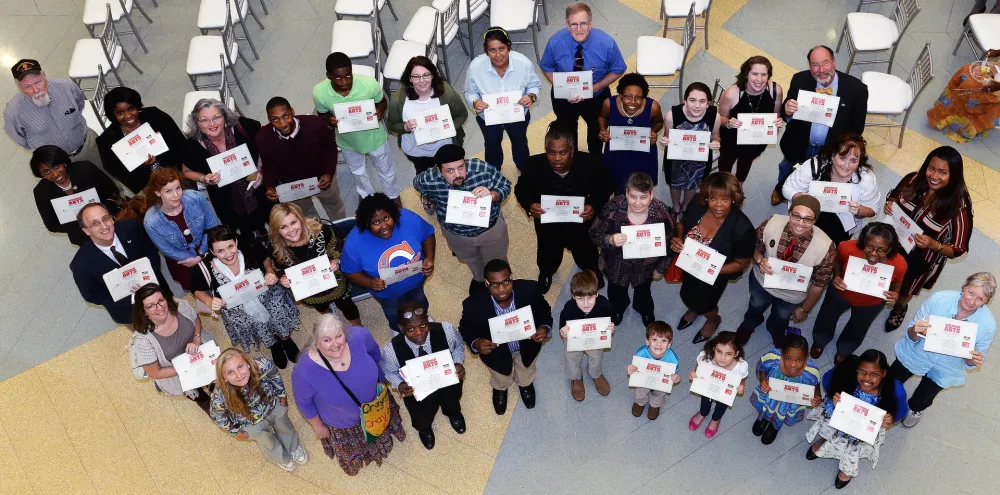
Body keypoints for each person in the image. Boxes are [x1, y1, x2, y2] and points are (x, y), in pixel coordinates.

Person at [291, 315, 406, 476]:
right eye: (327, 340)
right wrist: (318, 426)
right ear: (316, 342)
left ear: (345, 332)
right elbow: (304, 404)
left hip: (375, 408)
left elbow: (375, 353)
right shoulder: (304, 372)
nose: (335, 344)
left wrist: (382, 380)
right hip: (344, 424)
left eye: (339, 336)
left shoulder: (360, 336)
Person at [515, 121, 613, 293]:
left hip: (581, 224)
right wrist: (530, 205)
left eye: (563, 152)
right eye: (551, 153)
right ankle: (546, 273)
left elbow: (605, 186)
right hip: (548, 226)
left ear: (572, 151)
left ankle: (592, 270)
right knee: (547, 253)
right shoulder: (533, 164)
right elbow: (521, 189)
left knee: (587, 252)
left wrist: (594, 205)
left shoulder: (591, 163)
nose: (557, 158)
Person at [883, 146, 973, 331]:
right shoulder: (914, 179)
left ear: (953, 175)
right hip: (895, 242)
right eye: (931, 168)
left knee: (906, 287)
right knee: (885, 274)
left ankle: (900, 305)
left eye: (943, 172)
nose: (934, 176)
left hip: (922, 258)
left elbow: (958, 249)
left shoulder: (959, 207)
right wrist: (890, 204)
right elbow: (893, 195)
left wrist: (934, 244)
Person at [889, 272, 996, 428]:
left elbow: (973, 360)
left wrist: (973, 359)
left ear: (986, 302)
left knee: (924, 397)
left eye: (980, 299)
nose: (971, 301)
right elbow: (911, 335)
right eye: (970, 293)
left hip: (947, 365)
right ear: (964, 285)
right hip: (917, 352)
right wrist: (916, 330)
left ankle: (916, 408)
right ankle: (885, 399)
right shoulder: (939, 300)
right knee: (892, 381)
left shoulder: (988, 324)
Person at [192, 225, 300, 369]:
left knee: (276, 312)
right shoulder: (205, 266)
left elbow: (265, 257)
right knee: (256, 324)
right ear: (212, 252)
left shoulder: (249, 246)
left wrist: (269, 271)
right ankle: (273, 345)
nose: (228, 254)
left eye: (230, 246)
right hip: (237, 306)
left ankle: (286, 339)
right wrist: (209, 300)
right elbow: (196, 289)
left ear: (236, 242)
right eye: (220, 251)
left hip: (266, 293)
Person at [735, 195, 837, 347]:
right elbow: (753, 247)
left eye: (807, 219)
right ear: (789, 213)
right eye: (796, 216)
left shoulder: (826, 247)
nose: (800, 223)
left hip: (792, 296)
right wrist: (759, 260)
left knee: (782, 316)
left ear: (815, 220)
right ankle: (750, 323)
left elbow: (819, 284)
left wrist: (804, 309)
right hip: (762, 282)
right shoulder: (772, 223)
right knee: (755, 305)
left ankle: (775, 328)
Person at [772, 46, 868, 206]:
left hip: (830, 149)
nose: (821, 70)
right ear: (810, 66)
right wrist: (787, 110)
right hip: (799, 142)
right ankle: (780, 188)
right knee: (787, 167)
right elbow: (786, 110)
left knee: (821, 176)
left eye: (825, 63)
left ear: (834, 62)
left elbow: (857, 128)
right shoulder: (799, 80)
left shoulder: (856, 89)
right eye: (815, 65)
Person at [459, 259, 553, 415]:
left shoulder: (530, 290)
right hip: (496, 352)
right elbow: (465, 327)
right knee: (500, 374)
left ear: (511, 278)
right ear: (486, 284)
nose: (502, 289)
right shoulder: (473, 304)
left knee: (526, 368)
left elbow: (544, 310)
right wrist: (476, 343)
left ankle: (525, 384)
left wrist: (544, 328)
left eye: (506, 282)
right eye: (494, 284)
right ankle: (501, 387)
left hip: (526, 345)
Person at [805, 350, 908, 489]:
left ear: (884, 374)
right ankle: (824, 440)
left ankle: (846, 469)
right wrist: (834, 395)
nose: (866, 379)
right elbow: (828, 379)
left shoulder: (895, 389)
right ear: (856, 369)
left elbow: (902, 409)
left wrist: (891, 418)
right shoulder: (847, 373)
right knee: (829, 431)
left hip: (862, 432)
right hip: (839, 418)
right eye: (862, 372)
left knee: (853, 450)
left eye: (874, 375)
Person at [672, 172, 755, 343]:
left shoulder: (743, 229)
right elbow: (682, 224)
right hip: (690, 267)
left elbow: (742, 263)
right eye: (713, 198)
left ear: (733, 198)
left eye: (724, 199)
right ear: (706, 198)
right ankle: (694, 310)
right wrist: (678, 240)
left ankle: (712, 319)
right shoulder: (696, 204)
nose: (718, 205)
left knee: (707, 304)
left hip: (715, 276)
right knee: (688, 294)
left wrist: (712, 270)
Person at [413, 144, 510, 285]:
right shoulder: (429, 179)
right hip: (457, 235)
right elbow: (418, 185)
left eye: (461, 167)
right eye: (450, 171)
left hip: (490, 230)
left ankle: (499, 283)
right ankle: (479, 279)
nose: (458, 174)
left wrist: (493, 194)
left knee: (498, 262)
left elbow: (506, 185)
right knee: (471, 261)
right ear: (439, 171)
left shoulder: (481, 169)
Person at [539, 2, 627, 155]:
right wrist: (562, 88)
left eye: (583, 24)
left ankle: (594, 160)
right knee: (567, 130)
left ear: (590, 24)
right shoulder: (555, 42)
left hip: (596, 96)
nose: (579, 29)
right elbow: (547, 67)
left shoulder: (606, 44)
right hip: (564, 98)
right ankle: (572, 157)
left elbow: (618, 69)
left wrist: (598, 87)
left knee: (596, 130)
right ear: (567, 25)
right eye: (574, 24)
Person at [810, 223, 906, 362]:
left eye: (881, 250)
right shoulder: (847, 247)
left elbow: (897, 283)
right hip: (841, 292)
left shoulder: (899, 264)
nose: (873, 254)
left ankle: (845, 349)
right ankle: (820, 340)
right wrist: (836, 276)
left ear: (889, 249)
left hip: (871, 302)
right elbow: (837, 263)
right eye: (869, 247)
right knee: (827, 317)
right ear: (863, 242)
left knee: (858, 327)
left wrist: (895, 293)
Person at [314, 52, 401, 204]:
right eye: (338, 77)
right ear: (328, 76)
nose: (344, 82)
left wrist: (380, 111)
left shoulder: (369, 85)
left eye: (348, 76)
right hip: (348, 141)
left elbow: (382, 101)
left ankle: (393, 195)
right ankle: (366, 195)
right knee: (357, 171)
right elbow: (322, 114)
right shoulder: (319, 92)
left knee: (386, 170)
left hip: (374, 137)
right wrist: (329, 119)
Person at [341, 193, 435, 333]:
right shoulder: (353, 243)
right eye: (376, 222)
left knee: (419, 301)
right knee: (393, 313)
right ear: (366, 224)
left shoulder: (408, 218)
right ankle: (397, 328)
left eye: (386, 218)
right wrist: (369, 283)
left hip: (416, 281)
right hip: (388, 294)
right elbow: (349, 271)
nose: (384, 226)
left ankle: (422, 319)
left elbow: (428, 234)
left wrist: (429, 258)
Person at [589, 172, 674, 326]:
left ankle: (644, 309)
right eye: (633, 196)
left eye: (643, 197)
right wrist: (610, 239)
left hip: (646, 267)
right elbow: (594, 233)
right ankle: (618, 309)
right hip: (616, 264)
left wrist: (661, 269)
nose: (638, 203)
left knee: (643, 291)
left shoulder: (662, 213)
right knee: (616, 291)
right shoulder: (612, 209)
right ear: (626, 193)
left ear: (651, 194)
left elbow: (669, 243)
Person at [380, 302, 467, 450]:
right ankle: (424, 428)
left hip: (447, 381)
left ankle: (453, 414)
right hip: (417, 391)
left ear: (428, 321)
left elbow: (458, 346)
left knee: (452, 398)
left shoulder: (445, 330)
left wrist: (458, 363)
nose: (419, 333)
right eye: (411, 329)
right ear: (401, 329)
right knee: (420, 412)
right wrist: (400, 384)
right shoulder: (391, 350)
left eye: (423, 326)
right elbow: (389, 371)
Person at [181, 98, 270, 239]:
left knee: (267, 215)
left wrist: (260, 168)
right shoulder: (192, 146)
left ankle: (262, 231)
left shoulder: (245, 127)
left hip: (258, 188)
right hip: (225, 199)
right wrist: (203, 178)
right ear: (197, 123)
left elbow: (266, 143)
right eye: (204, 120)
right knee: (242, 230)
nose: (212, 124)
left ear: (224, 116)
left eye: (216, 117)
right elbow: (186, 171)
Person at [210, 348, 308, 472]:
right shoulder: (219, 396)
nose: (239, 375)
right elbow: (218, 416)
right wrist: (235, 432)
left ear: (248, 363)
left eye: (240, 366)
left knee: (285, 427)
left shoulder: (263, 365)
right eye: (230, 372)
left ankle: (293, 447)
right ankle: (281, 458)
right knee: (267, 441)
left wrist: (282, 397)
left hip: (272, 405)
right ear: (223, 378)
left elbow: (275, 376)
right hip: (249, 421)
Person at [266, 203, 361, 326]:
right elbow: (278, 268)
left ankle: (359, 328)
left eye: (294, 222)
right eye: (283, 227)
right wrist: (283, 279)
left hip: (335, 281)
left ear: (301, 219)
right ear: (276, 230)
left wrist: (335, 261)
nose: (291, 230)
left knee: (347, 306)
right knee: (322, 308)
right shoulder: (275, 247)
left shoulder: (321, 231)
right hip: (310, 290)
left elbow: (338, 248)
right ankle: (331, 322)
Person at [71, 203, 164, 324]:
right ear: (86, 230)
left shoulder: (132, 227)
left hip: (160, 296)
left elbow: (152, 253)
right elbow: (92, 295)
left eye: (105, 218)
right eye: (95, 223)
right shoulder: (81, 264)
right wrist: (128, 298)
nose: (104, 226)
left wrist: (150, 281)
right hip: (129, 312)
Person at [464, 26, 541, 171]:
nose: (498, 54)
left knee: (520, 142)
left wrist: (531, 96)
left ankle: (524, 168)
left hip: (518, 115)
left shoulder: (523, 63)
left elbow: (535, 85)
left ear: (508, 47)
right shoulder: (475, 67)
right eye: (492, 50)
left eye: (502, 48)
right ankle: (493, 171)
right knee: (491, 144)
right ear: (486, 51)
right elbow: (469, 91)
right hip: (488, 117)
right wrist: (475, 102)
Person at [257, 96, 346, 221]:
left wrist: (329, 173)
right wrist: (269, 186)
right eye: (275, 119)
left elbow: (330, 149)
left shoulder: (314, 124)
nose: (282, 124)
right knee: (306, 214)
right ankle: (318, 236)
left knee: (335, 207)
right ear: (269, 119)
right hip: (293, 186)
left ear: (293, 112)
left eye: (286, 116)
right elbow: (268, 165)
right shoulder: (263, 137)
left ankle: (341, 231)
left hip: (322, 179)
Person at [129, 283, 215, 413]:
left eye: (161, 301)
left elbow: (195, 319)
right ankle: (222, 418)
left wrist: (196, 338)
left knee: (218, 382)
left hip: (199, 354)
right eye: (151, 306)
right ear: (144, 312)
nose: (159, 308)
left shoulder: (179, 305)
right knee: (201, 398)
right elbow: (155, 372)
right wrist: (187, 365)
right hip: (176, 372)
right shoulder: (143, 340)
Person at [782, 133, 880, 244]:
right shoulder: (815, 166)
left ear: (859, 162)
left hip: (843, 221)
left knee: (829, 249)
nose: (846, 165)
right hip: (810, 212)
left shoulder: (865, 179)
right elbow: (787, 188)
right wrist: (800, 197)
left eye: (853, 161)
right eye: (842, 158)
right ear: (833, 155)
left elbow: (873, 209)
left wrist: (859, 210)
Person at [4, 59, 102, 168]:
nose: (36, 90)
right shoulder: (13, 113)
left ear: (44, 76)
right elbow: (22, 140)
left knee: (109, 176)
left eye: (38, 82)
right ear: (19, 87)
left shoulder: (66, 87)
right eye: (28, 87)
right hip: (57, 165)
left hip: (89, 146)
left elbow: (80, 104)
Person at [96, 86, 186, 194]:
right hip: (147, 186)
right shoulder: (107, 141)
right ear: (113, 115)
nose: (128, 116)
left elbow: (181, 144)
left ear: (137, 106)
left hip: (177, 173)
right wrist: (143, 167)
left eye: (131, 109)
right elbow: (121, 174)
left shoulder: (156, 116)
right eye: (120, 113)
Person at [386, 56, 468, 174]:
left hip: (445, 147)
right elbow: (392, 125)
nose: (422, 80)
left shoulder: (445, 91)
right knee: (424, 177)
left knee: (453, 176)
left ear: (433, 75)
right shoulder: (398, 99)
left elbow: (462, 114)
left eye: (426, 75)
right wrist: (405, 127)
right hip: (417, 151)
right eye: (416, 76)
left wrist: (445, 129)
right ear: (409, 78)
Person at [143, 167, 220, 291]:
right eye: (168, 191)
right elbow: (168, 249)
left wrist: (201, 254)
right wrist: (193, 259)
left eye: (178, 188)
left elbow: (211, 227)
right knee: (201, 292)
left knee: (220, 283)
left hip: (207, 246)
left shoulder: (196, 198)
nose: (176, 195)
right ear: (158, 192)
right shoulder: (151, 221)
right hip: (183, 259)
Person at [31, 145, 120, 246]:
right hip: (84, 238)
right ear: (41, 174)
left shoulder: (85, 169)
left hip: (113, 223)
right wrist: (85, 226)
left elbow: (112, 191)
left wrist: (101, 218)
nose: (55, 174)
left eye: (56, 167)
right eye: (47, 172)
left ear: (64, 163)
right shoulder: (41, 192)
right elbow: (52, 225)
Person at [717, 55, 785, 184]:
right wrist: (729, 123)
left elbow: (776, 115)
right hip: (731, 141)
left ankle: (739, 187)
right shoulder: (732, 93)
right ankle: (724, 188)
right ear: (746, 74)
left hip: (755, 141)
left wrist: (778, 122)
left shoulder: (775, 91)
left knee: (745, 165)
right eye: (754, 74)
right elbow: (720, 117)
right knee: (725, 169)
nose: (759, 79)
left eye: (764, 75)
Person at [659, 82, 721, 213]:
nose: (697, 106)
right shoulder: (672, 116)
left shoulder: (715, 117)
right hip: (676, 160)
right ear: (685, 101)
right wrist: (664, 141)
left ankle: (686, 205)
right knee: (674, 185)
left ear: (708, 103)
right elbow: (667, 137)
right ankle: (676, 206)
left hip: (700, 161)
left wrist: (716, 142)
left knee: (693, 184)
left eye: (702, 101)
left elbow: (716, 136)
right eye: (692, 100)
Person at [749, 334, 822, 445]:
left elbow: (816, 384)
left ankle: (774, 427)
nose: (793, 365)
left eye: (799, 360)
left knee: (781, 413)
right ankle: (763, 418)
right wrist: (763, 379)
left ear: (806, 358)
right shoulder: (773, 358)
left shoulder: (811, 371)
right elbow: (762, 367)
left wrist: (817, 396)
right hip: (770, 394)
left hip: (790, 402)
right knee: (767, 407)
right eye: (788, 358)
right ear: (781, 353)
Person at [597, 72, 663, 193]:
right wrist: (602, 130)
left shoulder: (653, 107)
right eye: (628, 96)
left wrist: (653, 132)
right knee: (613, 186)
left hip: (643, 155)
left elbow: (659, 122)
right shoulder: (609, 104)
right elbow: (602, 117)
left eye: (638, 97)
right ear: (620, 95)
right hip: (616, 154)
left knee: (641, 190)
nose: (633, 102)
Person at [557, 270, 615, 401]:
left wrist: (610, 328)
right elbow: (562, 325)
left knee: (596, 356)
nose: (586, 303)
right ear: (573, 296)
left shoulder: (604, 304)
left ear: (596, 293)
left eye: (590, 297)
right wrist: (563, 332)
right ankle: (576, 377)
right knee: (572, 358)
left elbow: (611, 320)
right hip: (574, 340)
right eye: (580, 298)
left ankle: (595, 374)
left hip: (595, 340)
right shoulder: (569, 308)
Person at [926, 49, 1000, 143]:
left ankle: (963, 123)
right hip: (991, 79)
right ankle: (947, 113)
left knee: (971, 87)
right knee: (968, 80)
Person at [687, 332, 748, 438]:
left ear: (736, 353)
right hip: (708, 386)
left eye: (728, 354)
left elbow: (741, 380)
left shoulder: (740, 367)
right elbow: (699, 368)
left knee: (722, 405)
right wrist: (694, 374)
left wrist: (740, 389)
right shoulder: (706, 357)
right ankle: (703, 413)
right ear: (714, 348)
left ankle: (716, 419)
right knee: (705, 399)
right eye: (719, 351)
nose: (722, 358)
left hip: (725, 392)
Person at [625, 321, 681, 420]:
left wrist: (674, 378)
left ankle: (655, 405)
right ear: (647, 341)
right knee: (641, 391)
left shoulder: (673, 359)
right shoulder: (641, 353)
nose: (659, 344)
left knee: (659, 394)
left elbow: (673, 373)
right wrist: (630, 370)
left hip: (661, 383)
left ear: (669, 344)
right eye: (654, 339)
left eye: (663, 341)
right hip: (643, 380)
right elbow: (635, 367)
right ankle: (640, 402)